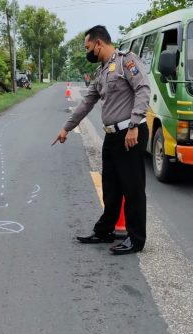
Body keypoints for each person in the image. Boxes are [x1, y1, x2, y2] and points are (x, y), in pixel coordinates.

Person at [52, 25, 151, 255]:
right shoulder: (102, 71)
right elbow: (87, 102)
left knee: (133, 188)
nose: (87, 52)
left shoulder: (127, 61)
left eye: (88, 47)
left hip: (130, 134)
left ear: (99, 43)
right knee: (111, 187)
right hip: (112, 136)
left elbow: (143, 89)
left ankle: (136, 239)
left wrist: (135, 124)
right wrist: (67, 128)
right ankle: (105, 230)